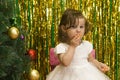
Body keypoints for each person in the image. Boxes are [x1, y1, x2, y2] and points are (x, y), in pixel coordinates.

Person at [46, 8, 111, 80]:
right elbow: (66, 62)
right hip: (67, 76)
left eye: (81, 27)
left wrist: (99, 64)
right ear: (64, 28)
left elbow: (91, 59)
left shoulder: (86, 45)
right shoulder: (62, 47)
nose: (78, 30)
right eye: (74, 26)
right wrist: (72, 46)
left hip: (86, 75)